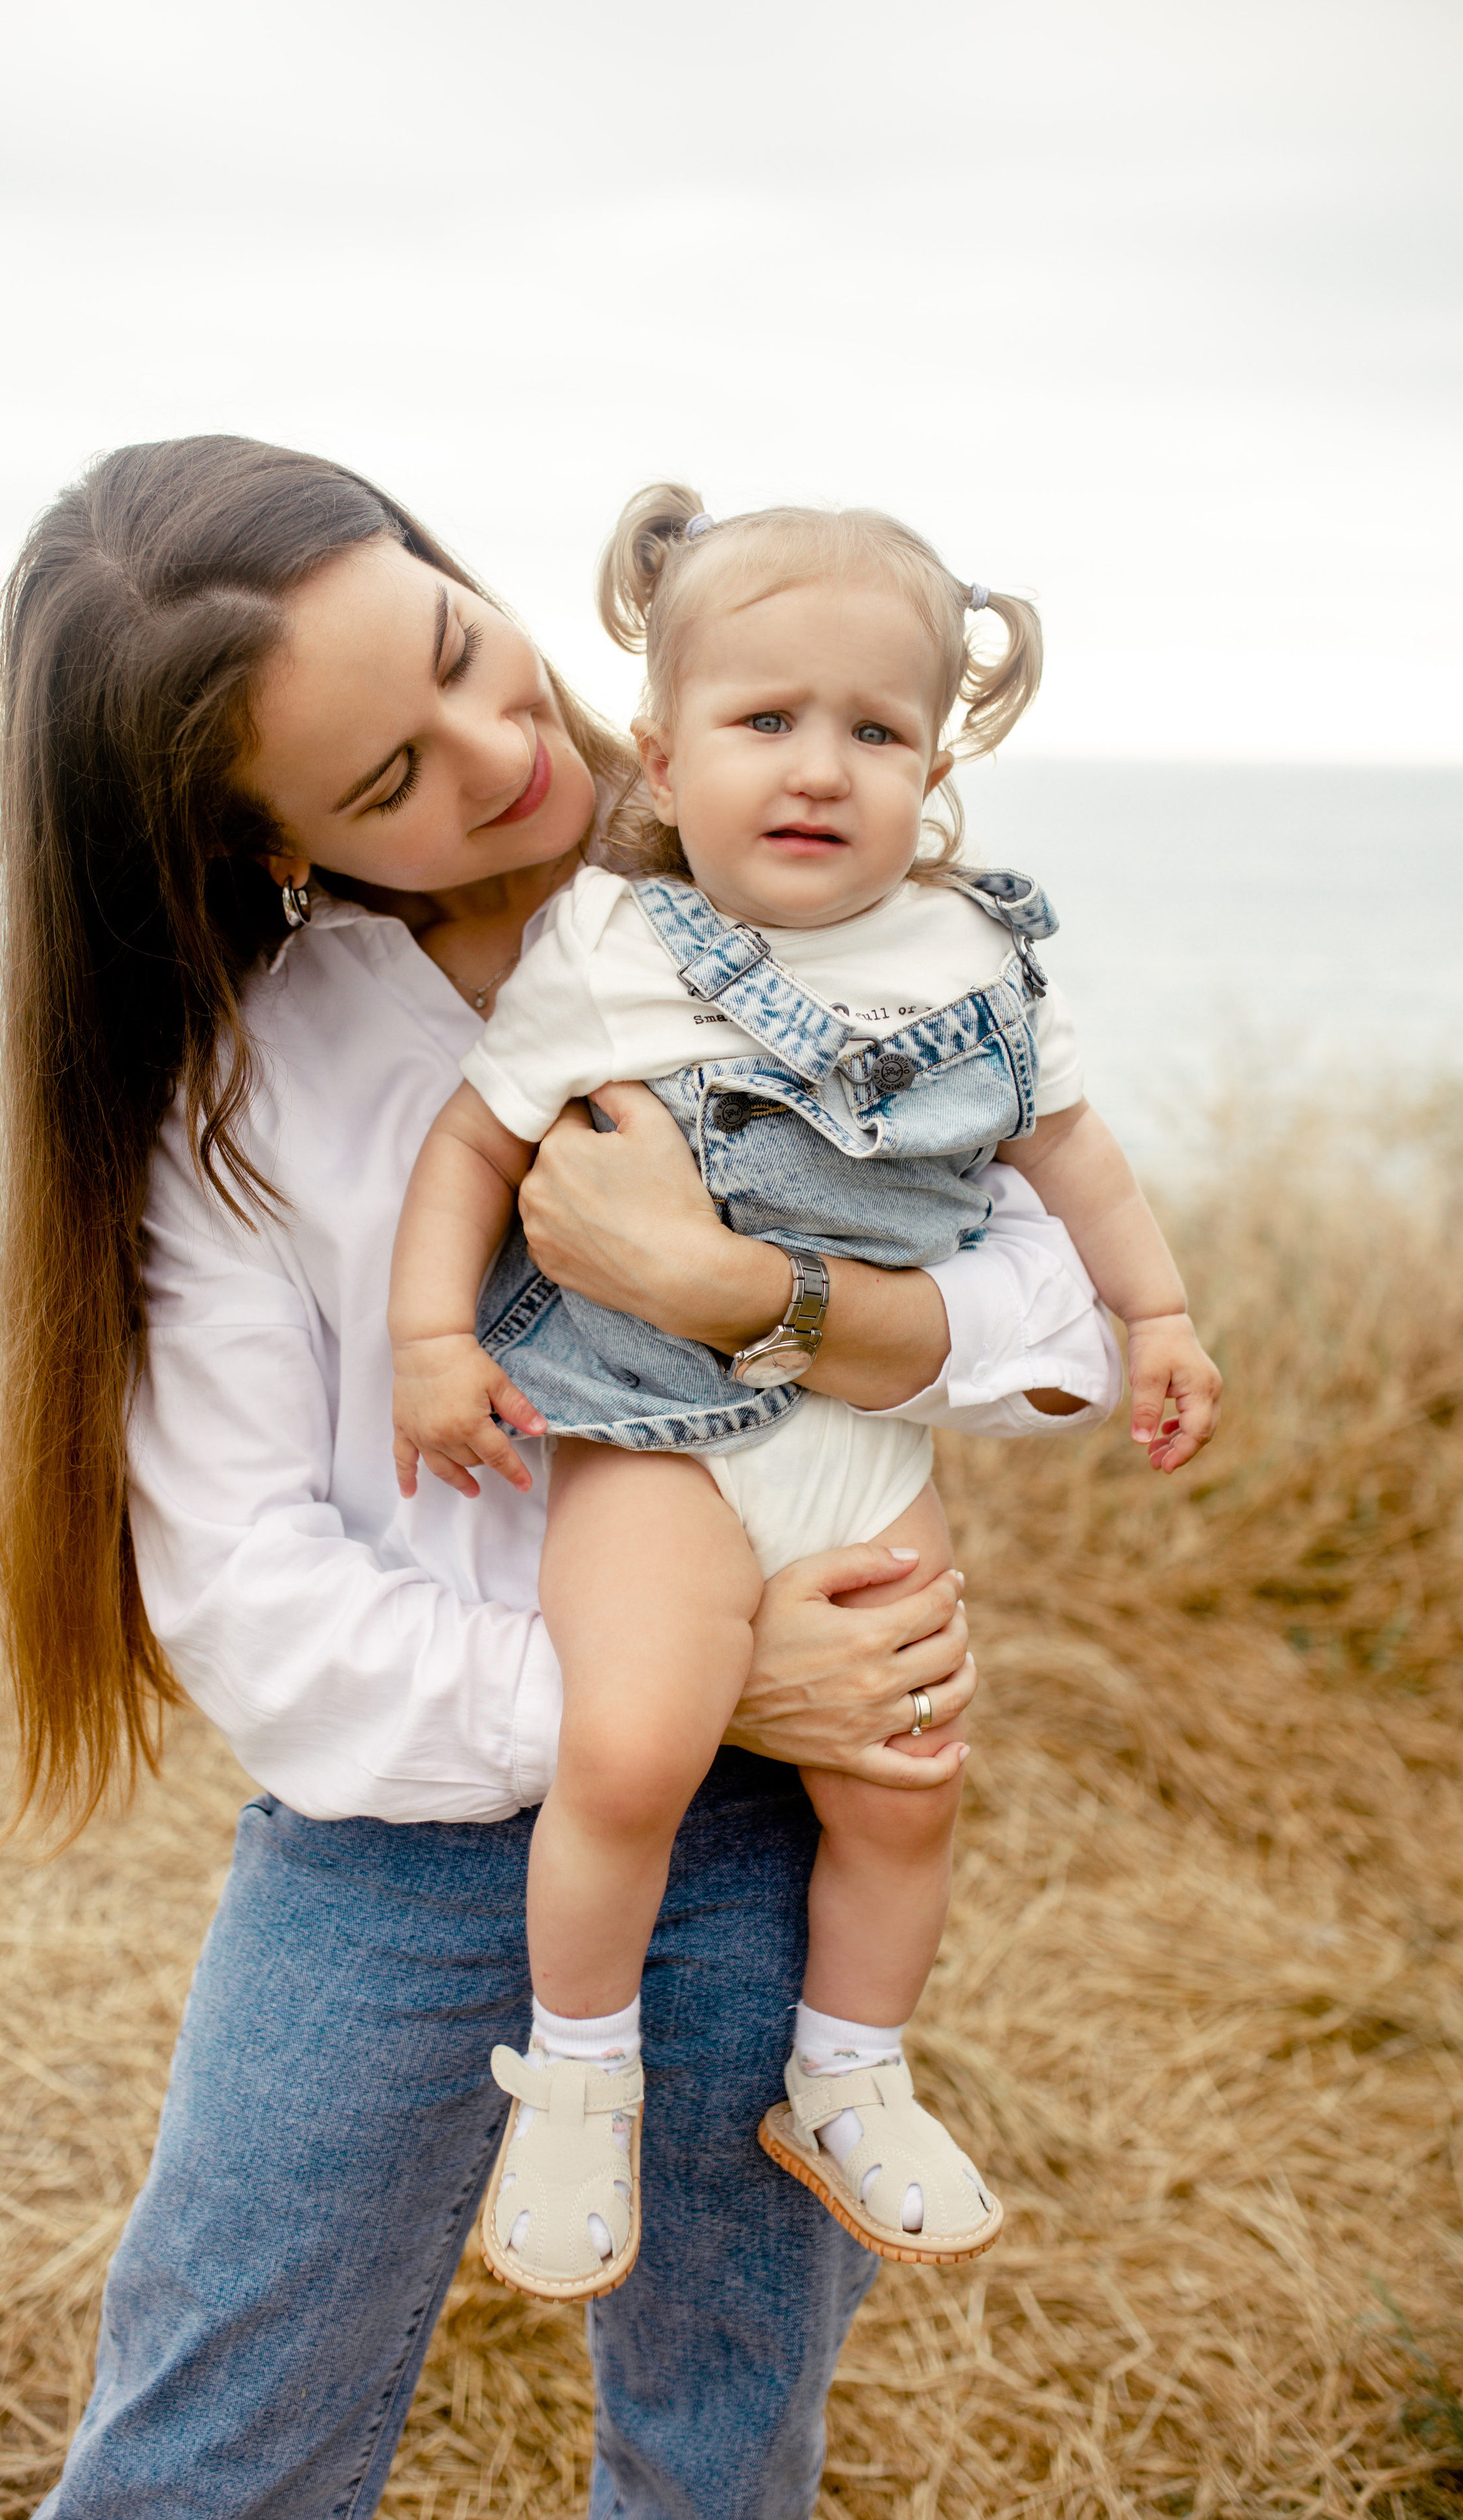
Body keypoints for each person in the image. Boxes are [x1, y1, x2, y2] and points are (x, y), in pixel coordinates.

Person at [0, 435, 1122, 2520]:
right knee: (215, 2440)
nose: (505, 752)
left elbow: (1061, 1325)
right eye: (387, 778)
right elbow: (248, 1595)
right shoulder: (247, 1090)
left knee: (720, 2451)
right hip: (401, 1848)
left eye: (462, 651)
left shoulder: (805, 885)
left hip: (777, 1836)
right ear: (270, 845)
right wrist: (675, 1698)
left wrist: (741, 1292)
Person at [390, 485, 1221, 2301]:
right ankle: (579, 2078)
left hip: (860, 1444)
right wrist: (433, 1346)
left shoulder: (977, 961)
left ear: (939, 766)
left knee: (909, 1775)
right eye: (765, 719)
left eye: (877, 731)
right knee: (633, 1748)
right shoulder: (610, 945)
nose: (821, 768)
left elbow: (1075, 1159)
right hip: (651, 1437)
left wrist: (1155, 1314)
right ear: (664, 754)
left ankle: (847, 2075)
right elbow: (471, 1145)